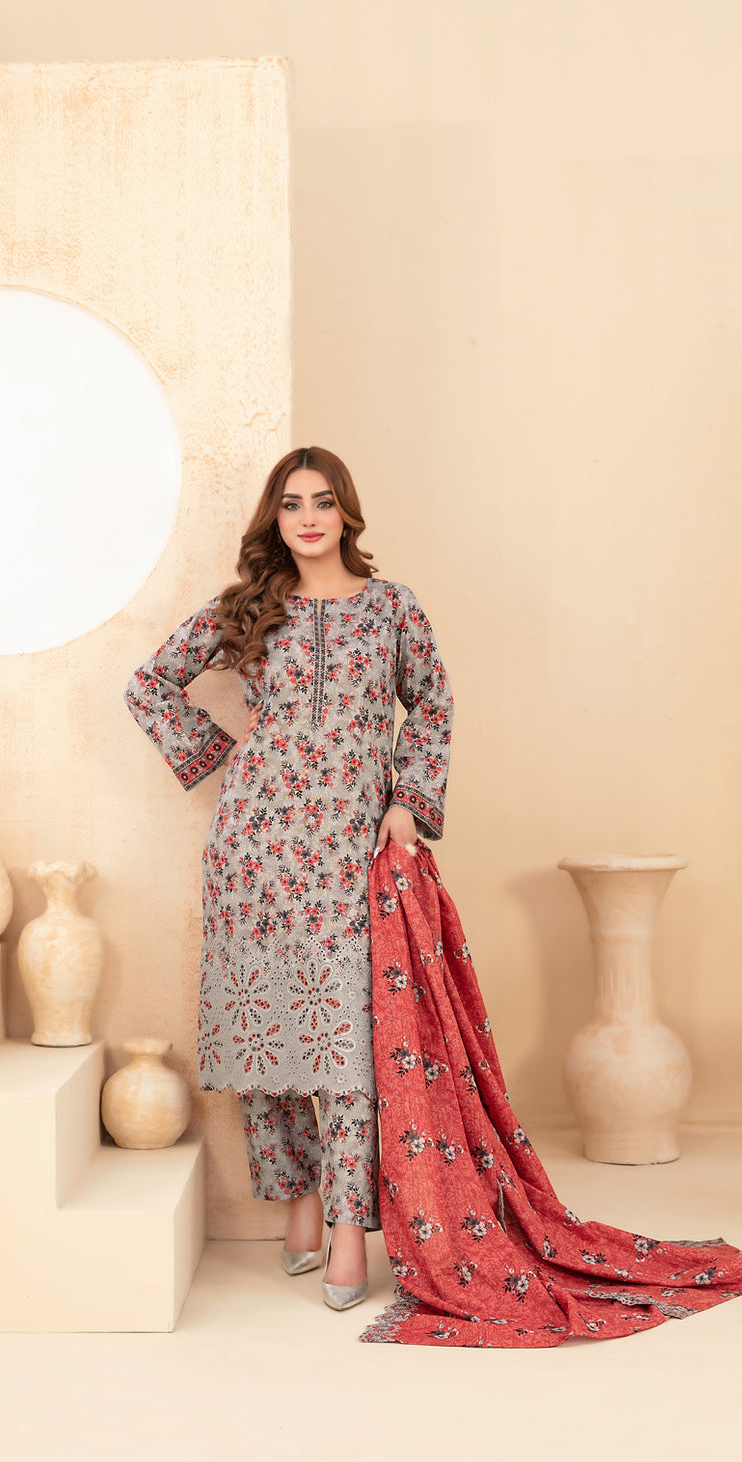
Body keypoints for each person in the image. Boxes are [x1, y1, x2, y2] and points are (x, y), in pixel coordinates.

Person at [125, 446, 453, 1310]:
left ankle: (349, 1229)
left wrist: (408, 802)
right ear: (276, 518)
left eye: (323, 501)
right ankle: (299, 1201)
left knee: (345, 1038)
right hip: (255, 850)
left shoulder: (391, 609)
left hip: (348, 850)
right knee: (265, 1034)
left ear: (347, 512)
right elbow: (150, 685)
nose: (308, 518)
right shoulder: (249, 608)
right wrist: (229, 762)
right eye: (292, 503)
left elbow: (432, 704)